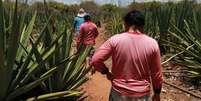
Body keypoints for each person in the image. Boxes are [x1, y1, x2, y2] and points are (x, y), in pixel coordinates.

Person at [91, 10, 163, 101]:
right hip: (142, 94)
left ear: (126, 24)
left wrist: (106, 72)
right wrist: (157, 93)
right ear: (142, 25)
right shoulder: (152, 43)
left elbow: (95, 60)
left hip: (119, 92)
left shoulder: (115, 40)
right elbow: (156, 73)